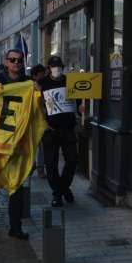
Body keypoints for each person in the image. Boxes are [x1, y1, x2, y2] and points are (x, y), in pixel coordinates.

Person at [0, 49, 41, 239]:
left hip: (18, 142)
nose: (16, 62)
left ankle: (15, 226)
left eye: (19, 60)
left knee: (16, 185)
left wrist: (38, 94)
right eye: (12, 60)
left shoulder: (28, 84)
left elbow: (40, 110)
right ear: (6, 62)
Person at [38, 56, 85, 207]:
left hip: (68, 129)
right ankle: (57, 194)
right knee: (51, 164)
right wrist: (42, 124)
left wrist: (82, 108)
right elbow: (35, 106)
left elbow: (79, 102)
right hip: (49, 130)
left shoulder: (70, 81)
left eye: (59, 66)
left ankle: (64, 187)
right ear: (49, 68)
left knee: (72, 160)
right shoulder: (42, 83)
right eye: (53, 66)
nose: (57, 69)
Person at [30, 64, 47, 179]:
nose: (42, 77)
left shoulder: (46, 85)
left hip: (42, 120)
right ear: (34, 76)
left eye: (43, 75)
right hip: (31, 120)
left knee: (42, 146)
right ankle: (31, 165)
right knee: (31, 146)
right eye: (40, 76)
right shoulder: (28, 86)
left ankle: (40, 169)